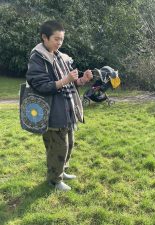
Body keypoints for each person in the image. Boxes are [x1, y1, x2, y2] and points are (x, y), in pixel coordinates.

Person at [26, 20, 93, 191]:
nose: (59, 43)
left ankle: (61, 171)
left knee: (69, 142)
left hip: (66, 108)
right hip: (51, 111)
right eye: (56, 39)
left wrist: (82, 80)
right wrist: (65, 80)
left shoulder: (60, 56)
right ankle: (54, 180)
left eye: (61, 39)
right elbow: (40, 85)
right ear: (44, 38)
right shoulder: (38, 58)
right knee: (57, 146)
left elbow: (70, 84)